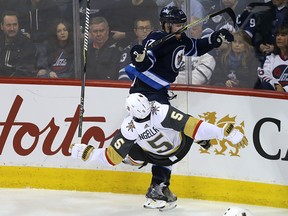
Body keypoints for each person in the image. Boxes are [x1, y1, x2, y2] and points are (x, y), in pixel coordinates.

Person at [123, 6, 233, 209]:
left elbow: (197, 47)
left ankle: (155, 180)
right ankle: (141, 161)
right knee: (168, 134)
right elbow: (146, 62)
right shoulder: (155, 38)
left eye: (183, 24)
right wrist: (139, 57)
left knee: (165, 137)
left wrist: (215, 39)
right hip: (145, 92)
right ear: (165, 24)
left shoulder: (181, 39)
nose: (181, 27)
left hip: (159, 93)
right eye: (177, 24)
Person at [70, 93, 248, 210]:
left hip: (158, 157)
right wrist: (224, 133)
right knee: (189, 126)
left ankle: (135, 162)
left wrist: (87, 152)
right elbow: (195, 126)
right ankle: (198, 140)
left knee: (128, 151)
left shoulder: (128, 127)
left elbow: (111, 158)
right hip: (181, 149)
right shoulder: (161, 110)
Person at [175, 16, 216, 85]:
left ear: (201, 31)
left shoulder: (208, 57)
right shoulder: (173, 53)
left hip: (193, 94)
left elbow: (195, 82)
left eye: (194, 29)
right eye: (187, 29)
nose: (190, 32)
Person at [0, 10, 37, 77]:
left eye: (15, 24)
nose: (12, 28)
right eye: (8, 25)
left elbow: (25, 71)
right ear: (2, 26)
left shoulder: (27, 44)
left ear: (18, 25)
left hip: (17, 83)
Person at [257, 25, 288, 92]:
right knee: (264, 85)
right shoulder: (271, 57)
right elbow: (264, 74)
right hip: (274, 95)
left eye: (283, 35)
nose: (279, 38)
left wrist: (284, 89)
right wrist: (276, 85)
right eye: (277, 35)